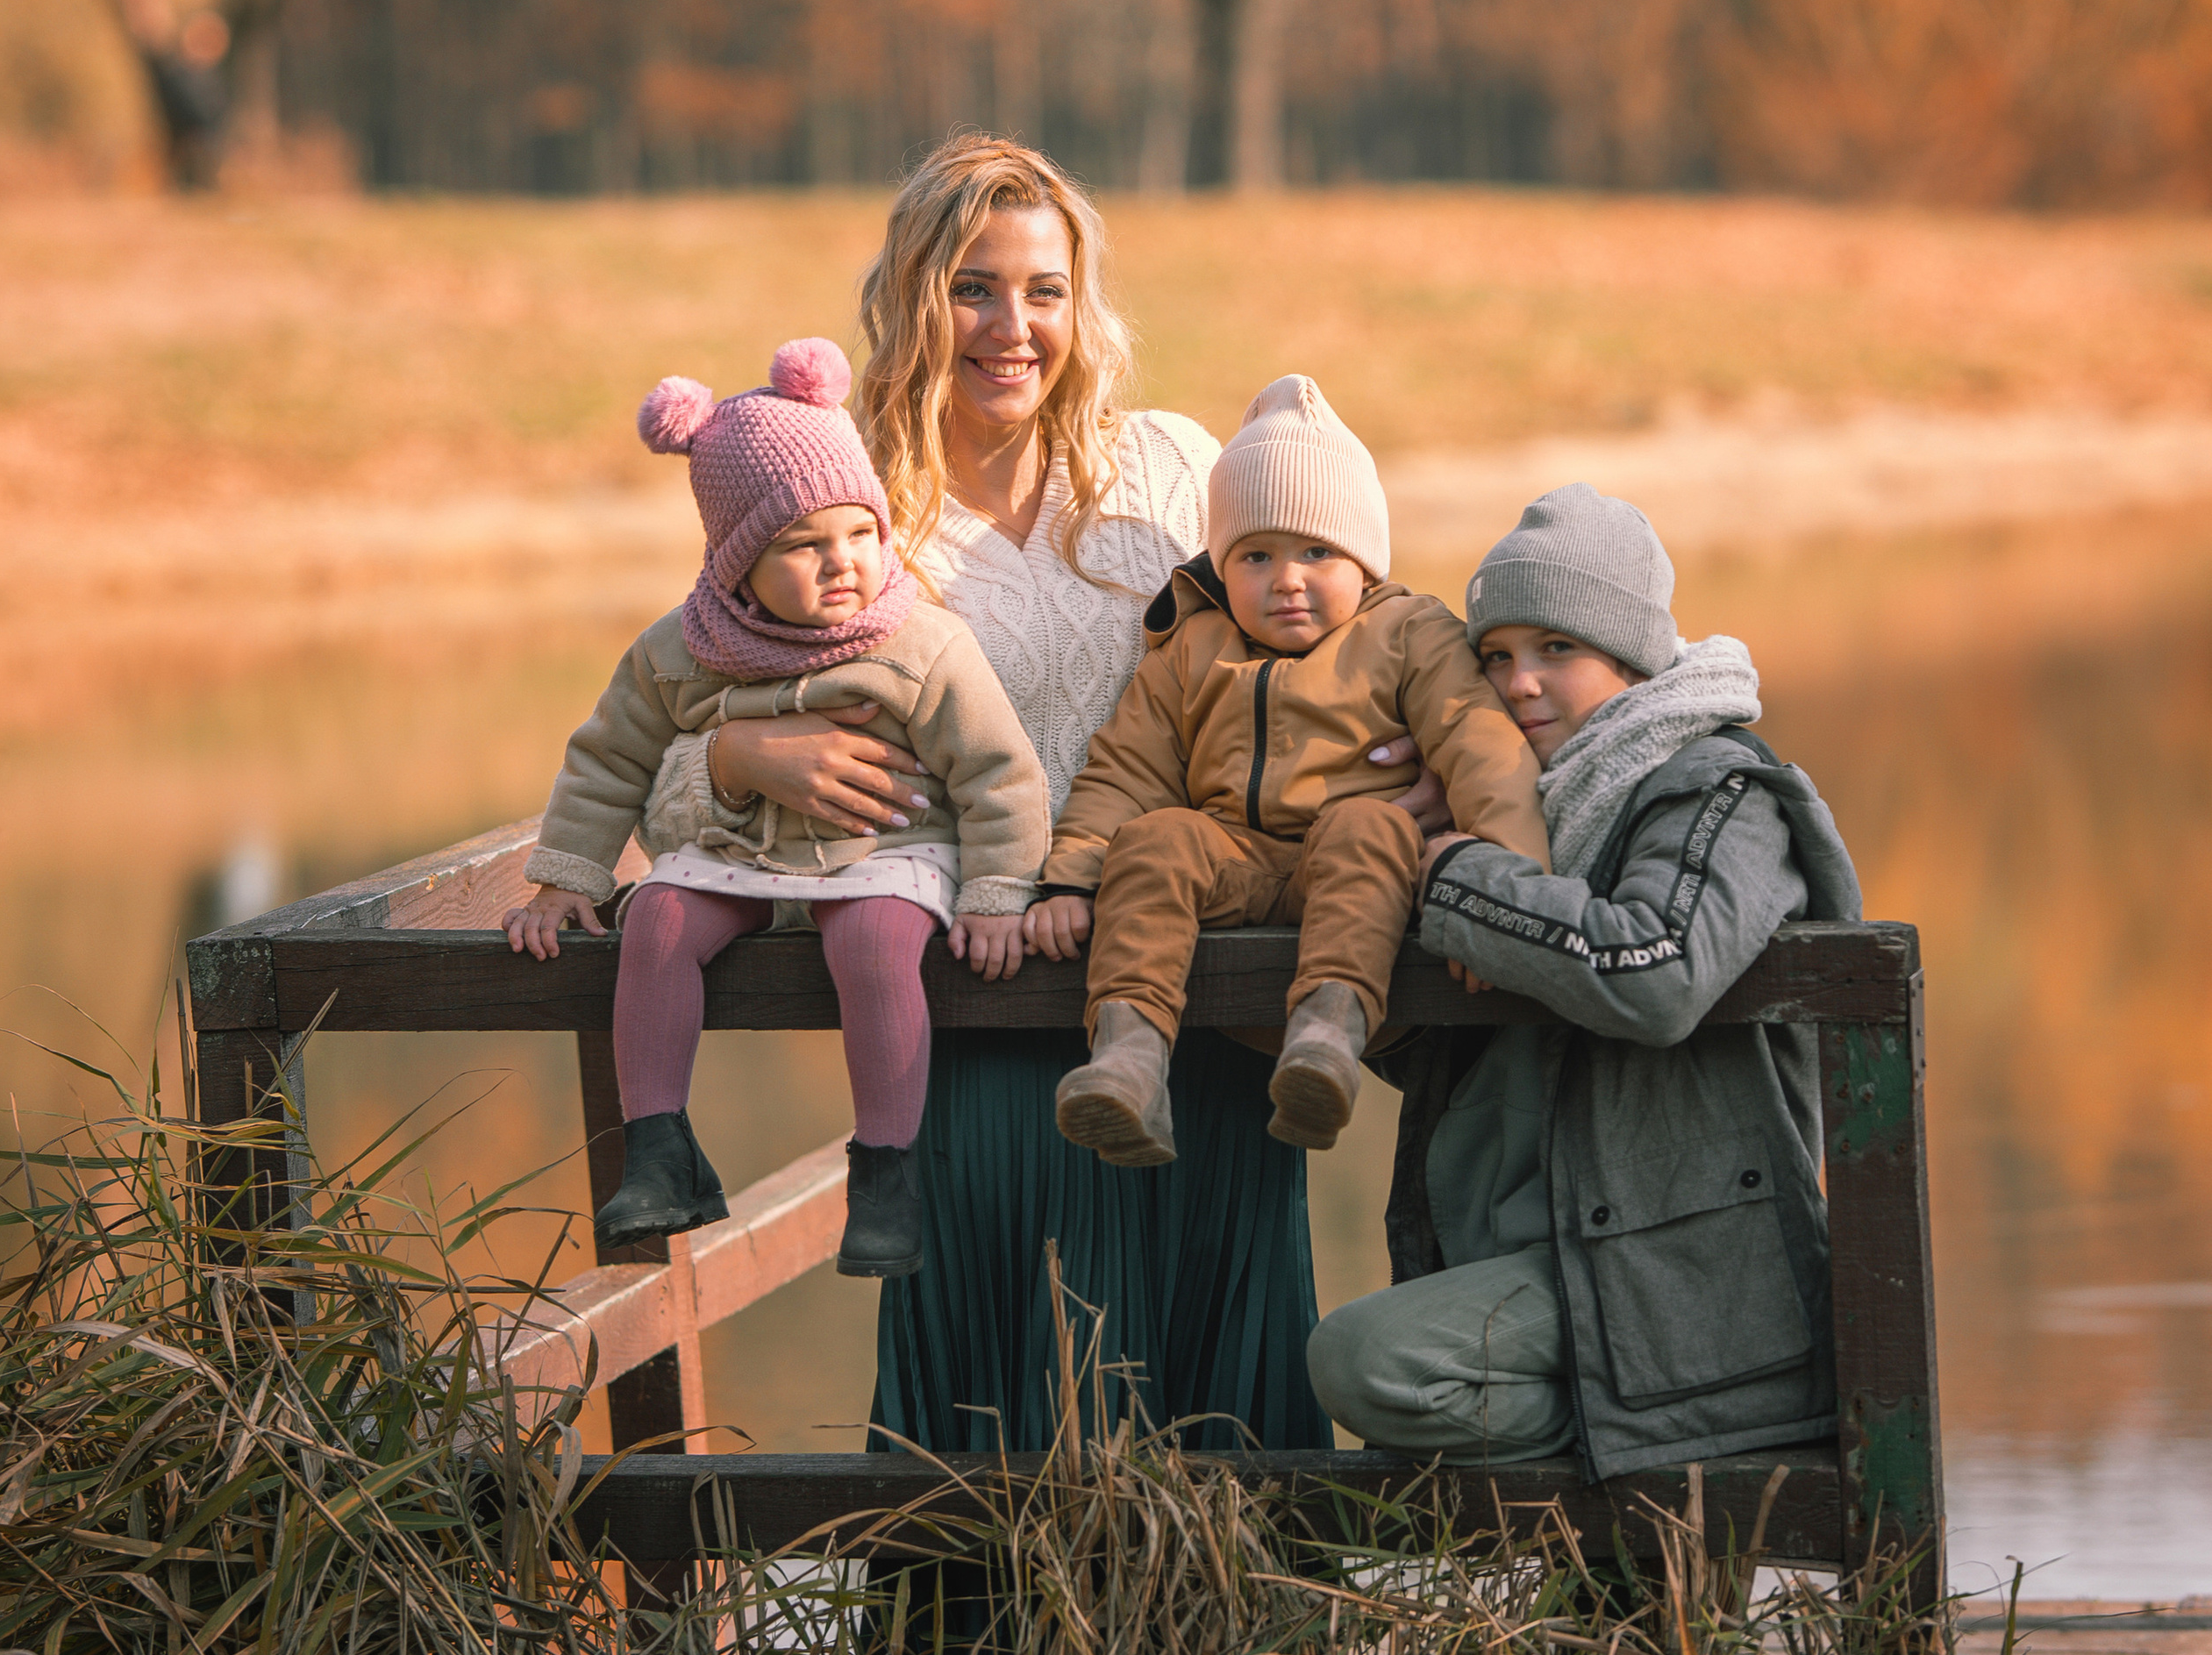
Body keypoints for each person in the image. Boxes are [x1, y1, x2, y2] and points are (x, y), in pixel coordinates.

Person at [640, 135, 1446, 1456]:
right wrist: (740, 761)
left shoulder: (1178, 476)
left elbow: (1352, 644)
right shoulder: (843, 507)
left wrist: (1398, 772)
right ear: (910, 298)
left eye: (1046, 289)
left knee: (1217, 1426)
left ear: (1084, 306)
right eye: (972, 286)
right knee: (990, 1438)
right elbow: (660, 757)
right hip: (973, 1027)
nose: (1012, 327)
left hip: (1200, 1014)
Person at [1306, 482, 1863, 1480]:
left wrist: (1452, 875)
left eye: (1557, 650)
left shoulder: (1716, 787)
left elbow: (1656, 973)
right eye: (1495, 657)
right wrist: (1384, 845)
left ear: (1633, 657)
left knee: (1365, 1362)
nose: (1519, 684)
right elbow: (1458, 1061)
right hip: (1549, 1263)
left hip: (1677, 1277)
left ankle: (1702, 1405)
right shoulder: (1517, 813)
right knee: (1394, 1387)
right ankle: (1660, 1450)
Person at [503, 339, 1046, 1280]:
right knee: (660, 920)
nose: (843, 563)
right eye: (801, 546)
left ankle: (884, 1172)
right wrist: (564, 878)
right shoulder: (682, 648)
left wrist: (999, 892)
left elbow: (1000, 774)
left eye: (860, 535)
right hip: (737, 851)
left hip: (889, 852)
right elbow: (607, 761)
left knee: (875, 942)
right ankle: (660, 1151)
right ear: (737, 561)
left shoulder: (921, 643)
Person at [1031, 373, 1546, 1166]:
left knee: (1372, 823)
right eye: (1256, 555)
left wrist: (1505, 892)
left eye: (1317, 552)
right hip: (1231, 861)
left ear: (1365, 561)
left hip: (1351, 876)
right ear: (1221, 563)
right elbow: (1126, 770)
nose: (1287, 579)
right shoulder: (1193, 650)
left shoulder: (1407, 633)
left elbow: (1480, 750)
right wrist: (1072, 876)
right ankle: (1129, 1057)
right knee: (1159, 836)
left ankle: (1326, 1039)